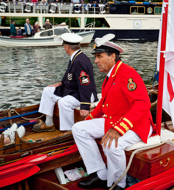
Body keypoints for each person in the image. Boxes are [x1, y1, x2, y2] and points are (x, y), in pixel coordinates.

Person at [72, 34, 157, 190]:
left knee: (111, 145)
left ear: (112, 57)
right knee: (78, 129)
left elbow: (142, 104)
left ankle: (118, 184)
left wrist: (119, 129)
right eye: (96, 57)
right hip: (115, 120)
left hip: (137, 124)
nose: (96, 61)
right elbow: (103, 104)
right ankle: (101, 174)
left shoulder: (127, 74)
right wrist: (88, 120)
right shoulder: (110, 76)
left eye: (99, 56)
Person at [32, 33, 98, 132]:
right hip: (74, 90)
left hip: (85, 94)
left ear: (67, 47)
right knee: (47, 91)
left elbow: (85, 84)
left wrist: (85, 105)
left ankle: (69, 131)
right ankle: (49, 124)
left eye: (64, 46)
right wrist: (61, 83)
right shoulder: (76, 57)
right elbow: (70, 75)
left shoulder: (79, 61)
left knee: (64, 102)